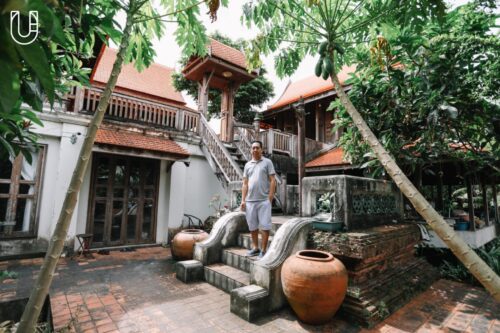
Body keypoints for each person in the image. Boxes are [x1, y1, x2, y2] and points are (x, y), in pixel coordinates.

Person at [240, 140, 276, 258]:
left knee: (265, 226)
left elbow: (272, 180)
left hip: (263, 200)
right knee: (252, 226)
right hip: (250, 201)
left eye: (257, 148)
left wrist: (270, 197)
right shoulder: (247, 165)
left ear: (261, 149)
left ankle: (264, 250)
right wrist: (243, 200)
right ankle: (255, 247)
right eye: (253, 148)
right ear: (251, 150)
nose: (255, 150)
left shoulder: (267, 162)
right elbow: (245, 183)